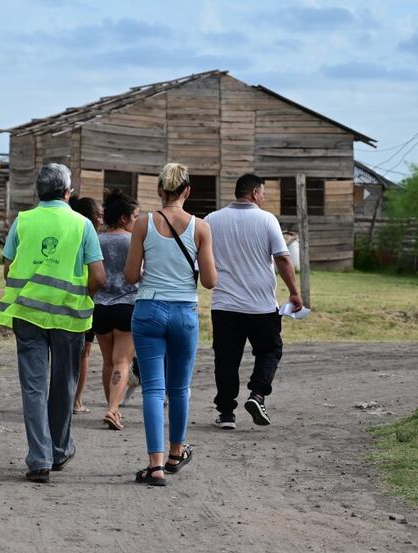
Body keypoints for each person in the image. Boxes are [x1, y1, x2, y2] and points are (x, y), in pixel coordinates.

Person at [0, 163, 105, 484]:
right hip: (69, 317)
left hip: (27, 314)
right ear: (68, 192)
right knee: (63, 385)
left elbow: (7, 270)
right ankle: (59, 450)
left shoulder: (23, 221)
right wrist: (81, 293)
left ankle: (39, 459)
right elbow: (98, 276)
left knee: (33, 387)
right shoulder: (82, 224)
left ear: (38, 192)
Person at [124, 162, 217, 486]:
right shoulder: (201, 228)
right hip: (184, 312)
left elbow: (131, 275)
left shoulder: (143, 223)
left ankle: (156, 464)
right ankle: (177, 452)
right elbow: (209, 281)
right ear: (187, 191)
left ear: (159, 190)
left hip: (149, 309)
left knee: (153, 388)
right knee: (179, 388)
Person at [207, 173, 304, 430]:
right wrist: (294, 292)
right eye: (262, 193)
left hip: (224, 305)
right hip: (261, 305)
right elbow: (283, 258)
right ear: (254, 194)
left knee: (226, 359)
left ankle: (227, 413)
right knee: (269, 351)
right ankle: (257, 395)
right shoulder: (267, 219)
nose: (264, 198)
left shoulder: (212, 220)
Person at [90, 189, 140, 431]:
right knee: (122, 361)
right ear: (123, 218)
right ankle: (113, 409)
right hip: (127, 306)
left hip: (99, 307)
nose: (137, 222)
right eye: (135, 217)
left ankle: (112, 406)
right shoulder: (133, 241)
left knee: (108, 362)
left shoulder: (96, 239)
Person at [68, 196, 102, 415]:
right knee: (84, 354)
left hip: (62, 300)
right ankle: (76, 401)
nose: (101, 218)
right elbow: (97, 277)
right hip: (85, 303)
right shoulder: (90, 236)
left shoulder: (68, 234)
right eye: (98, 214)